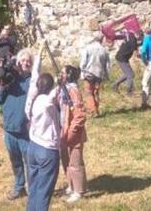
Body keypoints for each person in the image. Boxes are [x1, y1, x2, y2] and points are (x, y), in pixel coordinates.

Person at [24, 49, 60, 211]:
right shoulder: (48, 103)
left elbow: (33, 75)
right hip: (47, 149)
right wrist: (61, 84)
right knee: (44, 191)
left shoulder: (32, 97)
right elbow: (53, 96)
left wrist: (39, 53)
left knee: (34, 188)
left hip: (33, 146)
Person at [0, 49, 33, 200]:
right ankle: (19, 187)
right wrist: (3, 85)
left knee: (29, 161)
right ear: (17, 63)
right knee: (15, 160)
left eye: (28, 61)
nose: (25, 63)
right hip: (9, 127)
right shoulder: (11, 79)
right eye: (22, 60)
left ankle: (33, 189)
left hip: (25, 129)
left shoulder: (33, 81)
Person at [59, 65, 87, 204]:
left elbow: (80, 115)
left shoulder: (74, 91)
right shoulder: (62, 89)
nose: (60, 75)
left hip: (74, 133)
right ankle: (71, 185)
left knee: (75, 162)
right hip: (63, 131)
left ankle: (79, 191)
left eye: (63, 73)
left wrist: (72, 131)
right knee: (65, 161)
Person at [79, 34, 110, 117]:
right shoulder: (104, 50)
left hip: (88, 73)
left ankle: (93, 110)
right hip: (99, 74)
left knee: (88, 92)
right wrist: (106, 74)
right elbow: (107, 64)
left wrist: (82, 71)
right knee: (96, 92)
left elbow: (83, 62)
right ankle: (96, 109)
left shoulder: (88, 48)